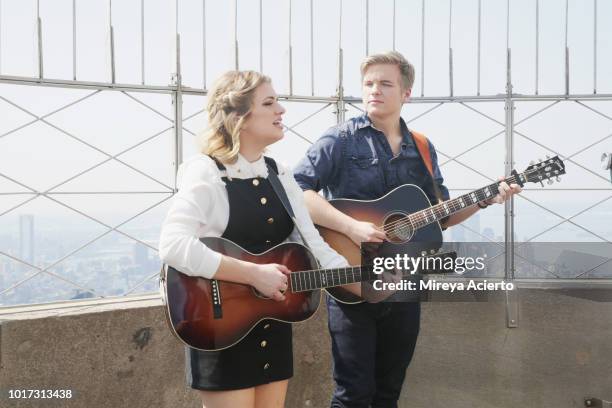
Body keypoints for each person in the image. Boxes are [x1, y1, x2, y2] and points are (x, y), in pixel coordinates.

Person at [293, 51, 522, 408]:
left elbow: (440, 216)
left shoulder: (423, 149)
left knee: (389, 393)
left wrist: (486, 198)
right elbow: (298, 192)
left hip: (405, 287)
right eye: (369, 84)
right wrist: (351, 226)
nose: (374, 91)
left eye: (385, 83)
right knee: (352, 394)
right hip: (352, 281)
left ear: (406, 93)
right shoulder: (339, 139)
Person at [159, 70, 348, 408]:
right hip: (219, 328)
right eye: (269, 102)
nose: (282, 111)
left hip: (272, 321)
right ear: (240, 117)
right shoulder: (206, 171)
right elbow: (173, 245)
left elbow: (315, 246)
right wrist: (254, 275)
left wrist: (370, 277)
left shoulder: (279, 172)